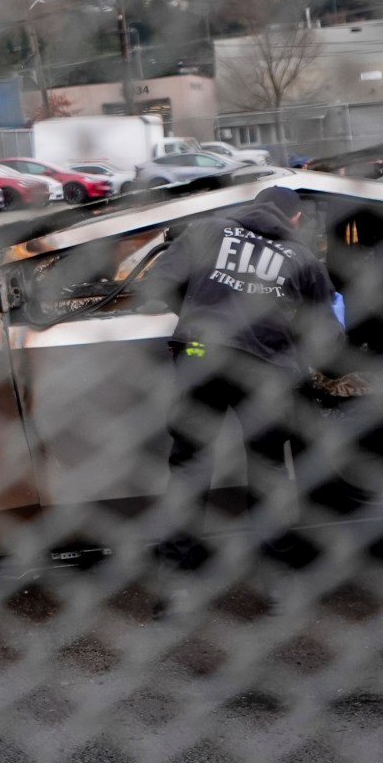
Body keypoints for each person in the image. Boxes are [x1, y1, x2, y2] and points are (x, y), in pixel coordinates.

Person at [145, 184, 344, 535]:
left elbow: (158, 283)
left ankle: (180, 580)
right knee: (268, 468)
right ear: (295, 219)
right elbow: (326, 336)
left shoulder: (207, 230)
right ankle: (279, 576)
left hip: (199, 351)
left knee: (190, 464)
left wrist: (197, 313)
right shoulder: (302, 257)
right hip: (265, 365)